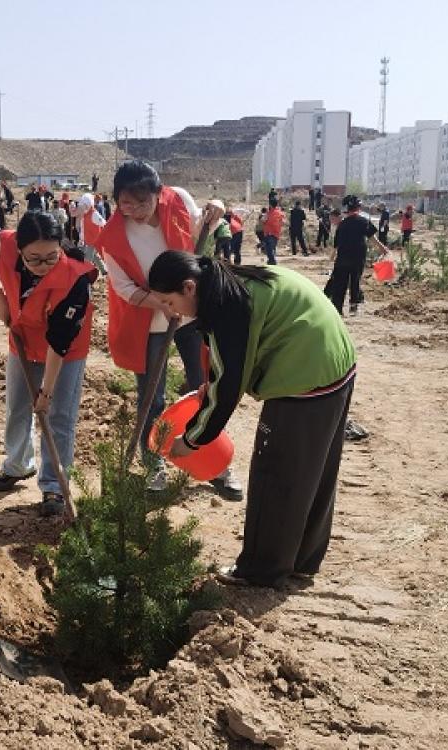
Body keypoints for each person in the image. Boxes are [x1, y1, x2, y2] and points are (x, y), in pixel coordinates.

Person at [147, 251, 357, 588]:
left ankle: (261, 570)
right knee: (313, 469)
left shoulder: (228, 305)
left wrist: (190, 440)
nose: (171, 312)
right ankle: (303, 561)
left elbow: (227, 388)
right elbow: (225, 368)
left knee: (274, 472)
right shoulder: (227, 281)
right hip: (335, 361)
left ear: (188, 287)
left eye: (169, 302)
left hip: (305, 375)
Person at [95, 160, 243, 499]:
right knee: (152, 397)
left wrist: (215, 211)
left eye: (142, 202)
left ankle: (216, 467)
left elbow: (198, 228)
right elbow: (122, 286)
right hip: (147, 322)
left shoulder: (177, 200)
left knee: (204, 389)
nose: (135, 211)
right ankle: (154, 467)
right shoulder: (113, 235)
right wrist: (160, 303)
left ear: (157, 194)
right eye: (125, 203)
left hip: (191, 316)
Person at [0, 212, 98, 515]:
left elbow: (59, 342)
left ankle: (53, 487)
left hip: (65, 351)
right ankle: (18, 464)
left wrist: (46, 393)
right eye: (34, 259)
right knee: (17, 407)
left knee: (58, 416)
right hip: (21, 338)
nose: (43, 267)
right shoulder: (2, 244)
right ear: (19, 249)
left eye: (51, 257)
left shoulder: (74, 279)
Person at [328, 195, 388, 316]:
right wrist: (383, 250)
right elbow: (373, 239)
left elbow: (337, 244)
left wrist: (332, 257)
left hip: (342, 258)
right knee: (355, 281)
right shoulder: (363, 222)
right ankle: (354, 307)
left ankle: (337, 308)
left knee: (340, 282)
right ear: (358, 207)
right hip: (357, 258)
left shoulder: (342, 225)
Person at [262, 199, 284, 265]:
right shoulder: (280, 213)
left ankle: (272, 261)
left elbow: (263, 220)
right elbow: (283, 222)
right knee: (272, 247)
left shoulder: (269, 213)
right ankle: (271, 260)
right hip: (276, 233)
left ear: (270, 205)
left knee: (269, 248)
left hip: (269, 233)